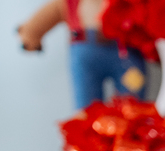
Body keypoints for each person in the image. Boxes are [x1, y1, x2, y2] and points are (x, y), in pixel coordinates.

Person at [17, 0, 147, 109]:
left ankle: (131, 134)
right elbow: (49, 14)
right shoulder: (69, 3)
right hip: (86, 58)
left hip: (127, 54)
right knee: (86, 108)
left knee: (131, 106)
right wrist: (31, 33)